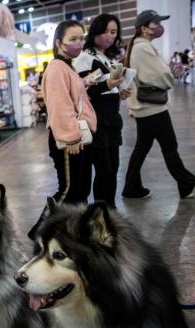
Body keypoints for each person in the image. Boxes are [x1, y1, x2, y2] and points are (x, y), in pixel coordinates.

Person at [122, 10, 195, 199]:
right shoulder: (143, 48)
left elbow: (155, 73)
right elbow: (157, 76)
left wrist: (170, 73)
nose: (159, 26)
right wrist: (171, 76)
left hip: (145, 108)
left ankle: (131, 186)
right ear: (144, 28)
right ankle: (187, 185)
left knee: (142, 148)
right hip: (153, 108)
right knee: (169, 145)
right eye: (156, 23)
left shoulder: (141, 46)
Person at [74, 14, 129, 208]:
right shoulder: (84, 57)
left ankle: (109, 208)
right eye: (105, 31)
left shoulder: (105, 56)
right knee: (104, 169)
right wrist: (107, 85)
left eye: (113, 32)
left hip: (112, 118)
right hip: (96, 119)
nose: (110, 36)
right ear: (95, 31)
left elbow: (103, 86)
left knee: (112, 167)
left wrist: (119, 90)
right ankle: (102, 211)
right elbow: (83, 90)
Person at [42, 20, 97, 205]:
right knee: (68, 191)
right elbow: (60, 106)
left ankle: (73, 230)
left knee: (79, 190)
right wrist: (71, 137)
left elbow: (71, 97)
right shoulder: (57, 67)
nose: (79, 43)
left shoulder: (66, 65)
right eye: (73, 39)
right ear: (58, 43)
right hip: (69, 139)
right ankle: (42, 231)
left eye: (81, 38)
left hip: (77, 135)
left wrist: (85, 83)